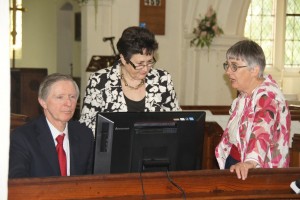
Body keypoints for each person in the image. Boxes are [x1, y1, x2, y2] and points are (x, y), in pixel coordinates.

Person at [80, 26, 181, 133]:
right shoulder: (100, 81)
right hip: (115, 148)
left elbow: (176, 119)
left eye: (150, 61)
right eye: (140, 64)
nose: (146, 69)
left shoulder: (162, 79)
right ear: (123, 59)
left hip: (154, 146)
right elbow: (87, 125)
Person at [215, 40, 291, 180]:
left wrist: (250, 162)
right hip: (237, 162)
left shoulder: (268, 95)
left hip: (258, 172)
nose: (227, 71)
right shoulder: (246, 94)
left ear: (254, 70)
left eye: (234, 66)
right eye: (228, 65)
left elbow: (262, 131)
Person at [9, 73, 94, 178]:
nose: (68, 103)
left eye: (72, 97)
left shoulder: (85, 135)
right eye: (60, 97)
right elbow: (18, 183)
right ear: (43, 102)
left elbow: (90, 181)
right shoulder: (23, 137)